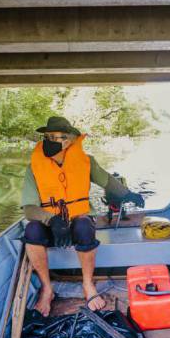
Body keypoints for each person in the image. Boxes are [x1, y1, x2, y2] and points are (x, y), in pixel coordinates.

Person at [20, 116, 145, 316]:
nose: (49, 141)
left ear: (69, 140)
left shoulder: (86, 161)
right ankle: (47, 289)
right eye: (47, 136)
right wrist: (52, 220)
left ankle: (88, 285)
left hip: (78, 221)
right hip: (51, 225)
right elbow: (28, 209)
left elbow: (108, 181)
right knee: (32, 230)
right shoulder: (34, 167)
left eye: (56, 137)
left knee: (85, 226)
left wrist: (127, 194)